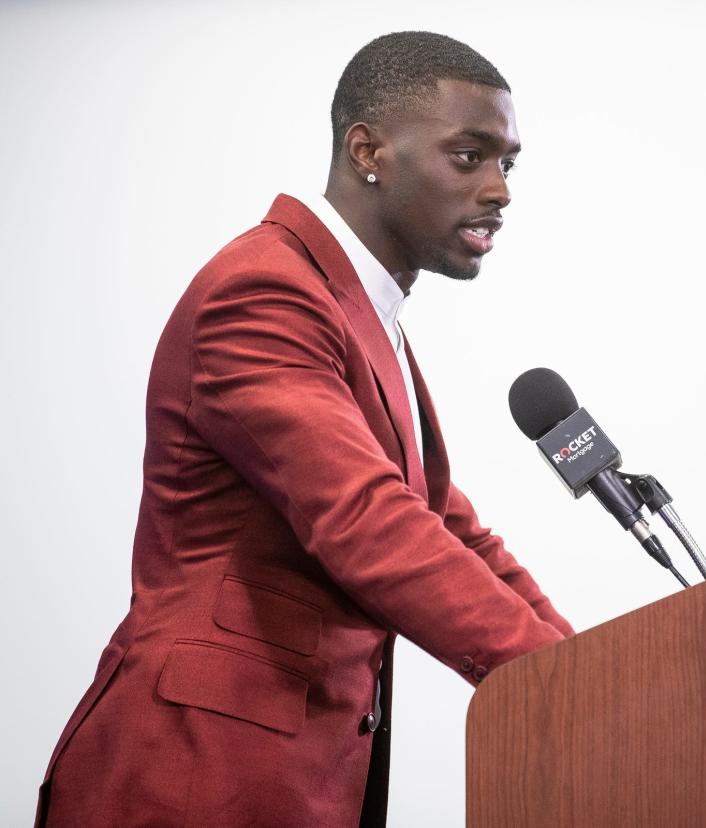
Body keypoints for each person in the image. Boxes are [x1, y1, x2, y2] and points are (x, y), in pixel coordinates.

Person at [36, 31, 572, 827]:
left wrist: (593, 671)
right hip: (191, 774)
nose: (500, 189)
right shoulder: (265, 291)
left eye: (509, 164)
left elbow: (448, 527)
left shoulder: (364, 317)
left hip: (293, 782)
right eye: (470, 156)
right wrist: (558, 682)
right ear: (370, 151)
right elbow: (368, 521)